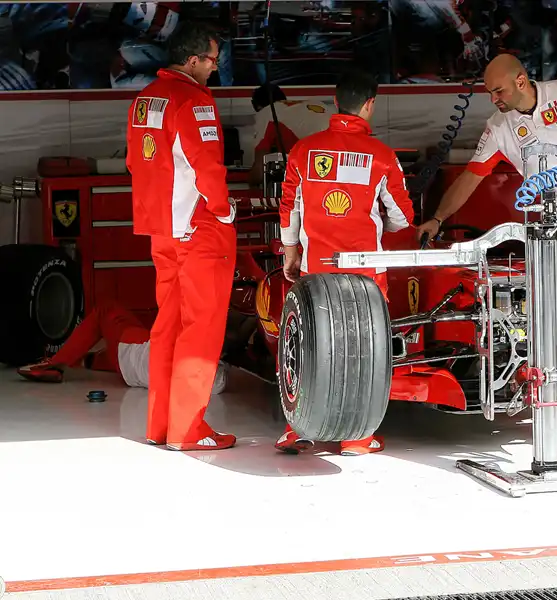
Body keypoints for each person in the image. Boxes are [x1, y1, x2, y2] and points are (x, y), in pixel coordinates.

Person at [416, 54, 557, 340]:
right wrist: (438, 218)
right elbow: (471, 176)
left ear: (521, 81)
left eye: (498, 91)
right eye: (489, 92)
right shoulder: (499, 127)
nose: (493, 99)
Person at [277, 67, 415, 456]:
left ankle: (296, 428)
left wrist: (291, 251)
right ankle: (357, 438)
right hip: (366, 271)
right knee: (363, 350)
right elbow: (403, 217)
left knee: (307, 347)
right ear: (369, 106)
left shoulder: (304, 151)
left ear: (335, 103)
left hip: (316, 267)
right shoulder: (383, 156)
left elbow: (289, 207)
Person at [125, 22, 238, 452]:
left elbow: (136, 162)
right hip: (198, 228)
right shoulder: (193, 100)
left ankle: (159, 427)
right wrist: (225, 212)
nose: (215, 68)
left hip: (160, 229)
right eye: (212, 60)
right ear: (192, 61)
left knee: (167, 326)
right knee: (202, 327)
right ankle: (188, 430)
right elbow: (208, 168)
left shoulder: (142, 100)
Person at [16, 301, 229, 395]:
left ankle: (55, 364)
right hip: (132, 372)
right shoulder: (217, 383)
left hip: (133, 352)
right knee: (123, 348)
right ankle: (87, 360)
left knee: (105, 310)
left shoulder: (194, 344)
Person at [247, 83, 332, 186]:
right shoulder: (316, 104)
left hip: (316, 166)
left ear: (257, 106)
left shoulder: (268, 112)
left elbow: (259, 174)